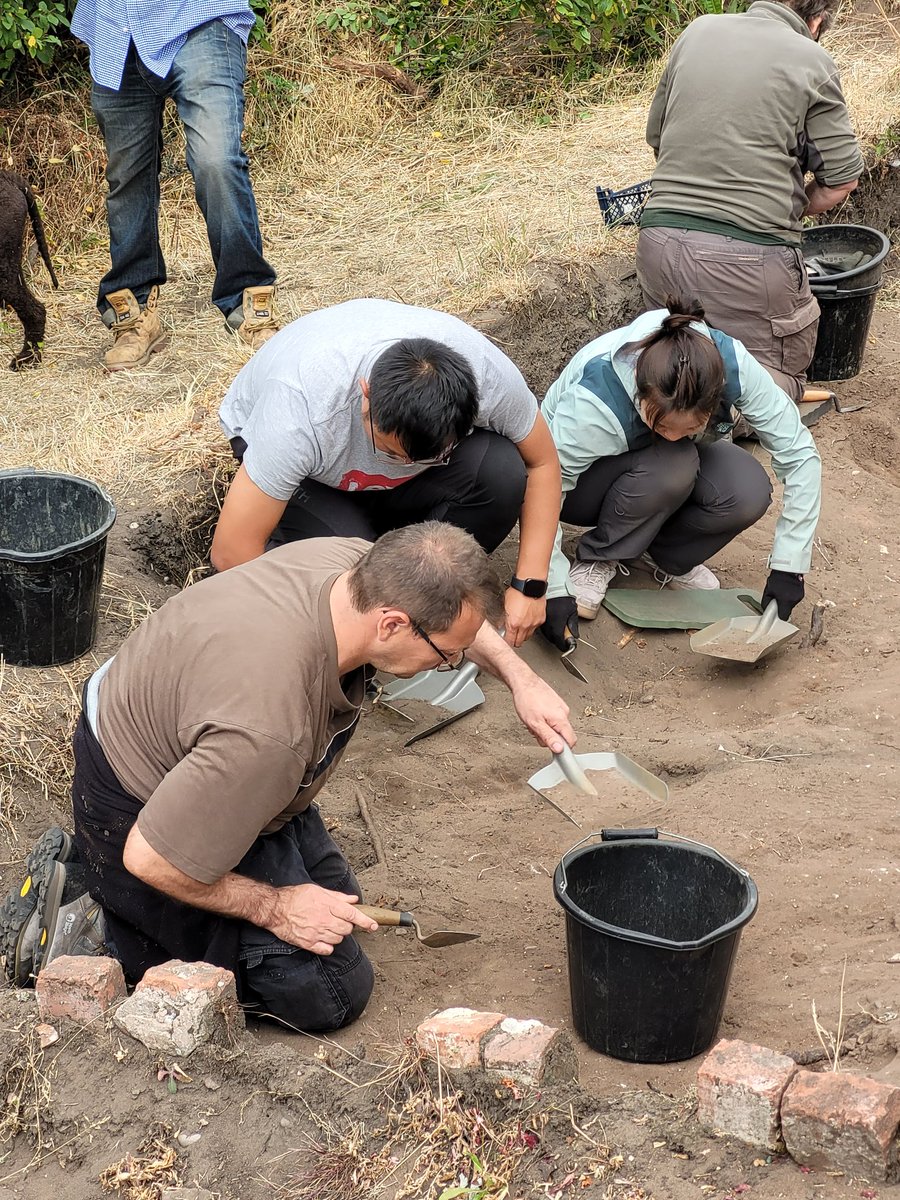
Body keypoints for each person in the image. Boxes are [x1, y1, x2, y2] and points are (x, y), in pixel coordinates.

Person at [1, 524, 574, 1033]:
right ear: (393, 623)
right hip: (137, 809)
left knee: (339, 905)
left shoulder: (361, 569)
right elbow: (152, 859)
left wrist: (521, 679)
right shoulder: (269, 728)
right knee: (329, 991)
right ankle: (91, 920)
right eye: (445, 657)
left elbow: (453, 622)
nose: (448, 666)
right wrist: (276, 907)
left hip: (203, 748)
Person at [211, 298, 563, 647]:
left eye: (426, 457)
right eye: (390, 452)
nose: (402, 465)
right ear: (366, 394)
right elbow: (231, 551)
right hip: (314, 478)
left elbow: (543, 462)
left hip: (369, 471)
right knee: (357, 575)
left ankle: (429, 599)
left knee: (500, 471)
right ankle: (321, 551)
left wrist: (530, 585)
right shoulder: (301, 411)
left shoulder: (488, 379)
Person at [537, 299, 821, 648]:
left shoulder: (730, 365)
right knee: (674, 461)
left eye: (689, 428)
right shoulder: (593, 402)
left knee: (745, 489)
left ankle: (661, 557)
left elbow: (799, 453)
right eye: (661, 424)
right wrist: (548, 585)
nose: (672, 435)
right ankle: (600, 557)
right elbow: (544, 484)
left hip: (652, 475)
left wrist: (789, 565)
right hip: (581, 486)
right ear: (642, 395)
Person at [635, 0, 863, 405]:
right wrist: (789, 212)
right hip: (750, 262)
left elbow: (657, 137)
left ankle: (666, 409)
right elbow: (842, 180)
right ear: (816, 21)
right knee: (772, 383)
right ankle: (724, 419)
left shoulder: (697, 31)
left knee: (672, 359)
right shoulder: (812, 58)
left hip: (659, 243)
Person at [70, 0, 279, 371]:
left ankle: (248, 302)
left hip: (199, 18)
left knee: (216, 160)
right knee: (127, 177)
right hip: (117, 30)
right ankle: (134, 315)